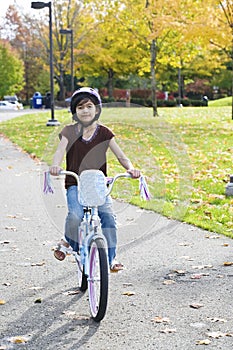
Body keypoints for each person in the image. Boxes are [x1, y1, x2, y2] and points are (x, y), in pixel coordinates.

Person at [49, 87, 140, 272]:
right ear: (75, 112)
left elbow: (121, 156)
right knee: (75, 216)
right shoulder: (69, 132)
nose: (85, 110)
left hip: (98, 185)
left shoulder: (105, 133)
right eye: (80, 107)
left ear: (97, 109)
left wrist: (130, 168)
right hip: (76, 183)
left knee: (109, 218)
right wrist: (55, 166)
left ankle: (111, 258)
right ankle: (70, 244)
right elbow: (60, 151)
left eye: (89, 106)